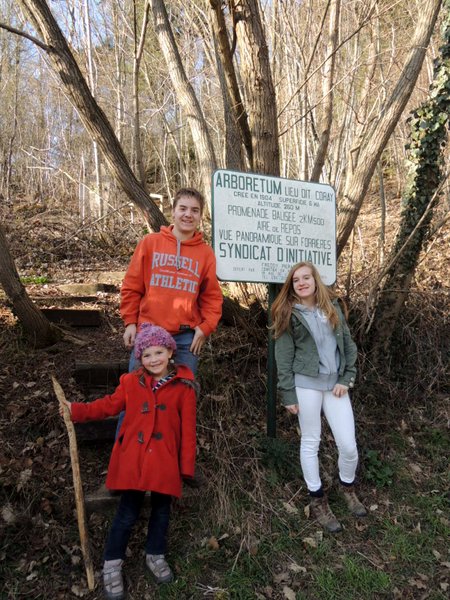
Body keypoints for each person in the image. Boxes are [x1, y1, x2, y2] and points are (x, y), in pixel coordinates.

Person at [59, 324, 197, 599]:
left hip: (164, 461)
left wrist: (186, 468)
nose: (153, 359)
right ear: (139, 358)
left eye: (158, 352)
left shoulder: (184, 387)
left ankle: (155, 554)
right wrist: (77, 411)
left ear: (170, 351)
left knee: (161, 511)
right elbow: (108, 405)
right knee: (126, 513)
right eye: (146, 355)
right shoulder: (130, 383)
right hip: (134, 460)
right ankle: (112, 564)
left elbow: (188, 430)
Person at [116, 188, 222, 486]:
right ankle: (124, 466)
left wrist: (205, 327)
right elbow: (132, 286)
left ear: (201, 216)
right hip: (149, 334)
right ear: (173, 211)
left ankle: (178, 466)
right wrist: (129, 322)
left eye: (195, 210)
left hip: (187, 339)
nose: (188, 214)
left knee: (181, 403)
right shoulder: (150, 243)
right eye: (183, 208)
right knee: (135, 400)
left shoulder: (205, 253)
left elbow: (213, 298)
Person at [271, 261, 367, 533]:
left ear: (315, 281)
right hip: (306, 385)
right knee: (310, 441)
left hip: (335, 385)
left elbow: (347, 344)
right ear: (291, 286)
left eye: (306, 278)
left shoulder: (332, 307)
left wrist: (347, 377)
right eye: (296, 280)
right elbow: (284, 356)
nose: (301, 283)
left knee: (348, 445)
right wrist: (288, 392)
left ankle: (347, 487)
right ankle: (317, 499)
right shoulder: (288, 312)